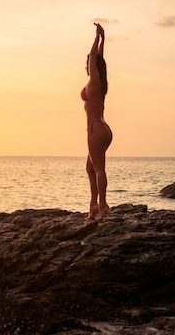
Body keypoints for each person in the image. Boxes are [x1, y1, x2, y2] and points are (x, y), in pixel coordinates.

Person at [81, 23, 113, 221]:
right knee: (90, 168)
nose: (86, 67)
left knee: (99, 168)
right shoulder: (101, 85)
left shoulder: (94, 82)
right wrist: (103, 40)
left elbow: (94, 58)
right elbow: (99, 59)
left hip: (95, 130)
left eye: (87, 65)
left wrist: (96, 38)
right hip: (103, 129)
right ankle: (93, 205)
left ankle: (102, 206)